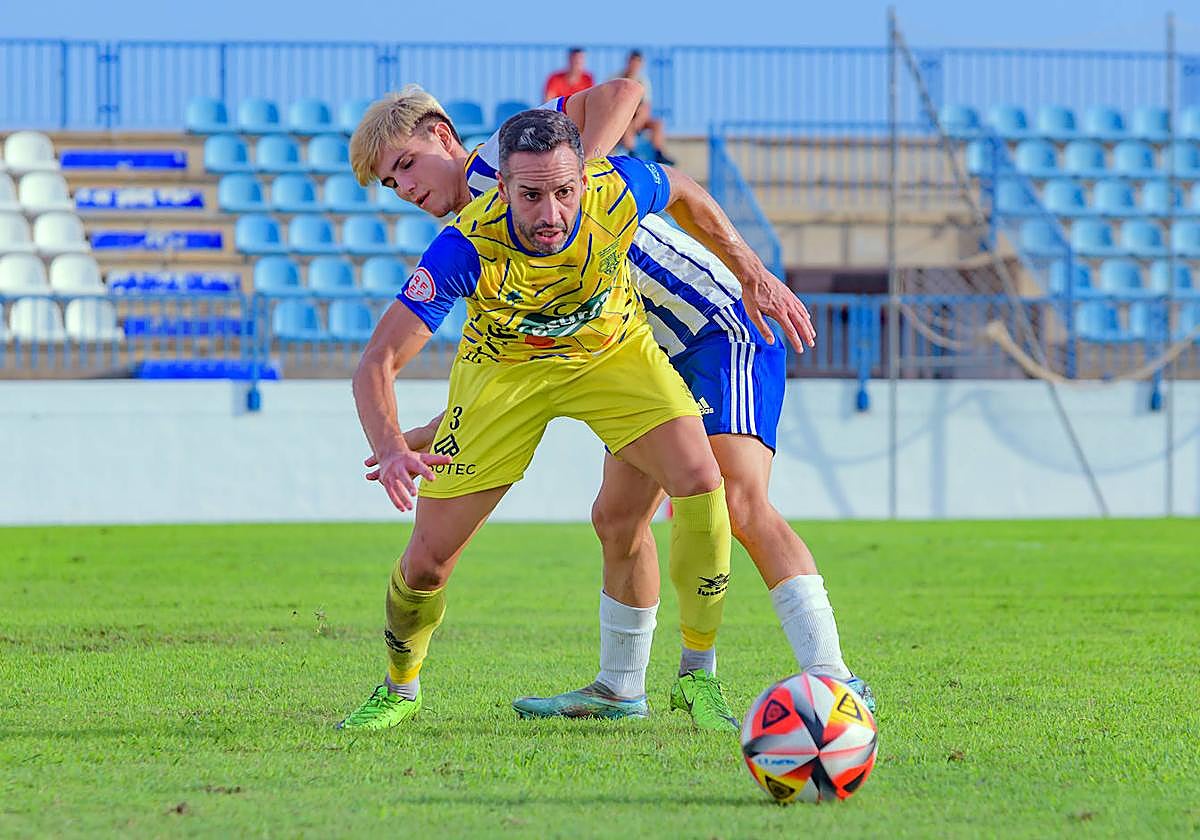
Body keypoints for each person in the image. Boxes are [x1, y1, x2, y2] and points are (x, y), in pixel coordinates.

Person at [348, 85, 872, 731]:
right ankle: (622, 689)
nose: (402, 187)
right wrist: (430, 429)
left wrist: (589, 172)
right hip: (624, 350)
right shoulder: (471, 237)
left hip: (706, 329)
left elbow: (624, 94)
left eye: (404, 164)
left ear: (440, 134)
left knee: (734, 500)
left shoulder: (505, 162)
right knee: (618, 520)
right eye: (388, 182)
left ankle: (835, 681)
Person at [611, 49, 674, 165]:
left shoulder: (643, 81)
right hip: (621, 117)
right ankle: (631, 151)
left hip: (637, 118)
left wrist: (638, 120)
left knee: (657, 124)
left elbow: (646, 105)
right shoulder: (615, 78)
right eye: (633, 62)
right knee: (627, 124)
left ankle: (658, 152)